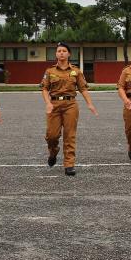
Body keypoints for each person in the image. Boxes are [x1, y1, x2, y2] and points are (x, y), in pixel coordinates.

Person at [40, 42, 99, 174]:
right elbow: (44, 88)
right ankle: (53, 151)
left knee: (69, 135)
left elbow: (83, 89)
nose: (61, 53)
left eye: (64, 51)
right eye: (59, 51)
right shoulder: (50, 71)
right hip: (54, 105)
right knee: (51, 136)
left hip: (70, 105)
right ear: (56, 54)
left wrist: (90, 104)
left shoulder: (76, 71)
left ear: (69, 54)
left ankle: (69, 164)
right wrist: (48, 103)